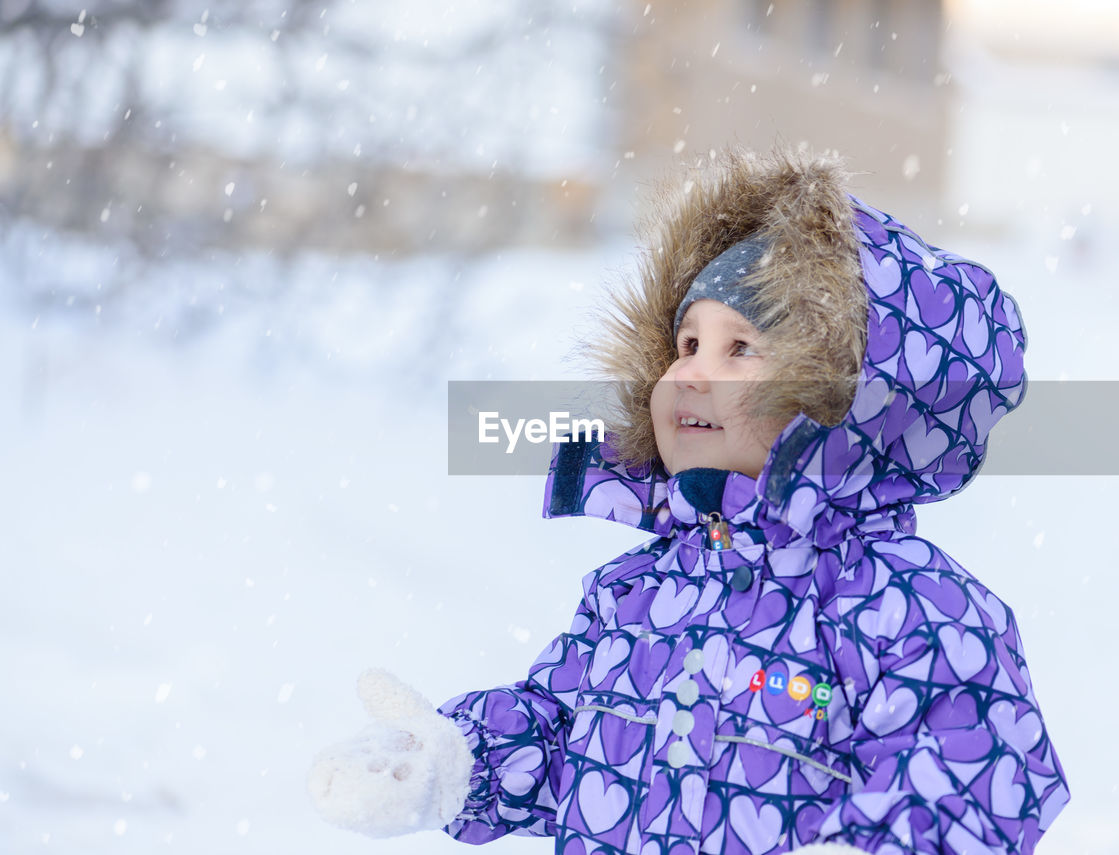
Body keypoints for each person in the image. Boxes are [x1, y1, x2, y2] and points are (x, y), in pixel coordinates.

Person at [307, 146, 1070, 854]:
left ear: (845, 398)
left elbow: (963, 793)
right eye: (686, 344)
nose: (694, 374)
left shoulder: (914, 611)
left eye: (741, 348)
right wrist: (456, 761)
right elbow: (561, 734)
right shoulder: (636, 594)